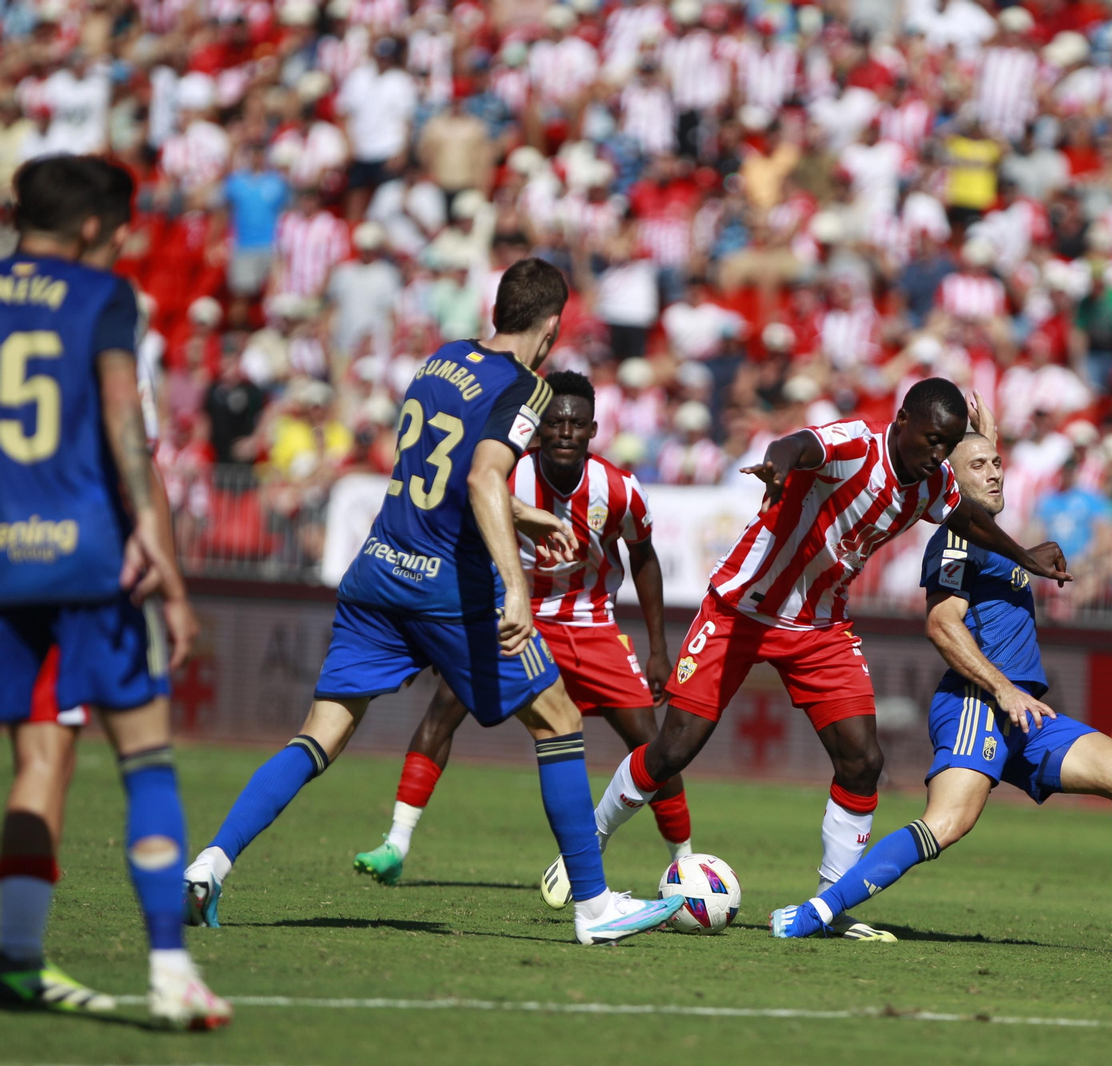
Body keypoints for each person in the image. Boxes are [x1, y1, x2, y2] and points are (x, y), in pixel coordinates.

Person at [179, 260, 684, 946]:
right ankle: (595, 906)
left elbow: (437, 472)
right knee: (559, 719)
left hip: (377, 569)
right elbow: (479, 477)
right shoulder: (528, 387)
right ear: (552, 326)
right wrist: (513, 585)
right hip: (446, 587)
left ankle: (211, 864)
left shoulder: (443, 361)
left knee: (319, 733)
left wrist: (529, 518)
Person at [571, 383, 1070, 941]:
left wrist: (1025, 556)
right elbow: (799, 445)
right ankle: (587, 846)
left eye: (946, 444)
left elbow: (966, 518)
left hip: (819, 628)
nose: (936, 454)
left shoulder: (932, 483)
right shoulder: (858, 445)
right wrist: (778, 467)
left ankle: (831, 904)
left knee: (861, 760)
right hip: (742, 608)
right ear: (901, 420)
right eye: (931, 440)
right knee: (672, 749)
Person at [768, 415, 1112, 959]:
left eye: (998, 464)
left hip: (1022, 713)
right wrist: (1002, 689)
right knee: (947, 822)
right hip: (977, 704)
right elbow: (942, 624)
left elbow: (984, 496)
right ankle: (816, 911)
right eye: (978, 466)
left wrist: (980, 443)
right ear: (949, 482)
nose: (995, 474)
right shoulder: (957, 537)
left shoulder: (991, 537)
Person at [0, 156, 230, 1025]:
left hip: (5, 563)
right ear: (96, 228)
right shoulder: (101, 297)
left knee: (35, 758)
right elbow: (123, 421)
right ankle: (171, 972)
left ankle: (18, 956)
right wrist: (163, 561)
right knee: (145, 758)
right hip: (87, 561)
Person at [352, 371, 693, 889]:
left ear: (593, 429)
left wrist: (659, 650)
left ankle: (685, 865)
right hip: (518, 619)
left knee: (656, 747)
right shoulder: (506, 480)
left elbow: (644, 560)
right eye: (554, 422)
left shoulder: (621, 489)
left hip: (593, 625)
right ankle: (396, 842)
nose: (564, 432)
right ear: (538, 428)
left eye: (576, 424)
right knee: (444, 709)